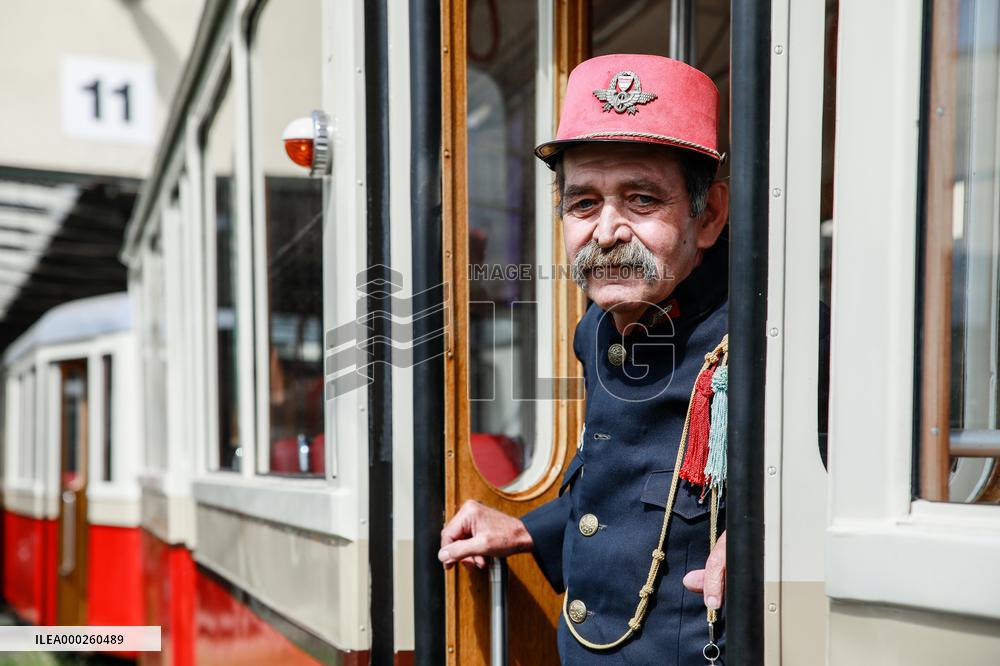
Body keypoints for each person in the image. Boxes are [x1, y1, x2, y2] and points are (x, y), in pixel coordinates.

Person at [440, 54, 732, 663]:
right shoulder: (599, 328)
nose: (605, 232)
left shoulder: (771, 338)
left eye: (642, 199)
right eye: (582, 204)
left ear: (709, 215)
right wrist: (524, 529)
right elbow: (613, 485)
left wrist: (765, 545)